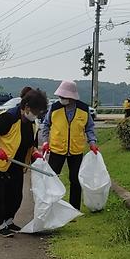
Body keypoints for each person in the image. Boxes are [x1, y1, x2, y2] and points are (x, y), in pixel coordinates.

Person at [0, 88, 48, 237]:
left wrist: (35, 153)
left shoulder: (32, 124)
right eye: (35, 112)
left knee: (15, 195)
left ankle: (9, 220)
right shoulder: (9, 118)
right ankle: (1, 225)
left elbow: (31, 144)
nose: (36, 115)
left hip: (16, 163)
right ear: (26, 107)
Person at [40, 80, 99, 211]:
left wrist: (92, 143)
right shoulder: (54, 108)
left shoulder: (83, 109)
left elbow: (89, 128)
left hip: (76, 150)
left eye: (63, 96)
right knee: (53, 178)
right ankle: (51, 206)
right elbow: (46, 125)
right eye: (60, 96)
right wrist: (45, 141)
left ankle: (74, 209)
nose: (61, 98)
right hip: (56, 149)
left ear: (71, 96)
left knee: (75, 179)